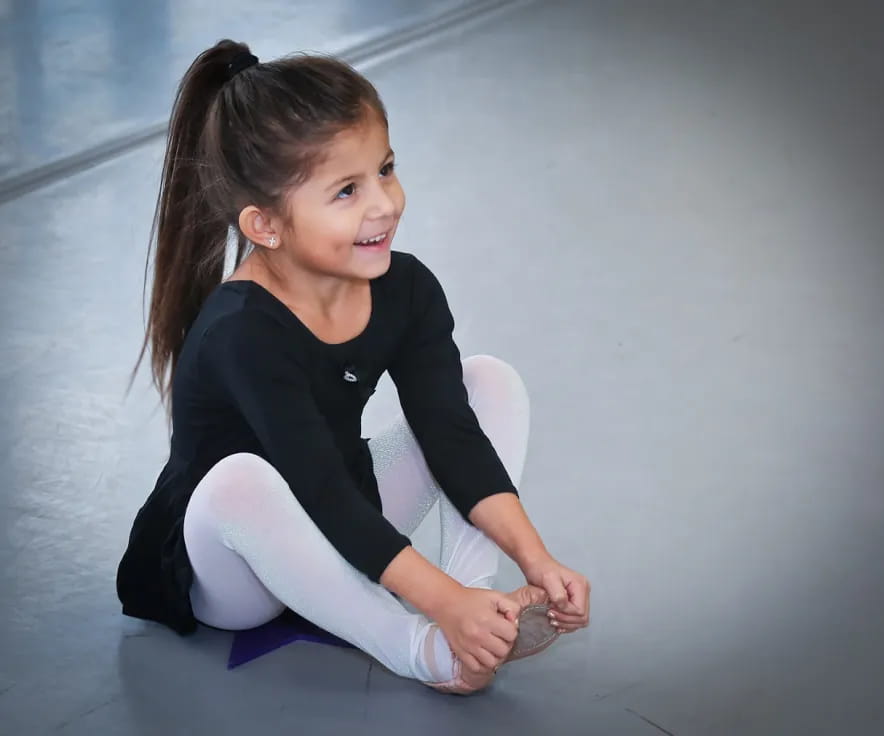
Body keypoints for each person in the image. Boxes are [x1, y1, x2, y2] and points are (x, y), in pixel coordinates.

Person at [115, 39, 590, 695]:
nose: (384, 204)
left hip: (344, 523)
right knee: (238, 481)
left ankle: (486, 615)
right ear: (265, 226)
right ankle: (425, 648)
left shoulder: (404, 287)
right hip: (235, 569)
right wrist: (437, 603)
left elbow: (450, 436)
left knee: (489, 383)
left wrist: (535, 560)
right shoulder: (241, 332)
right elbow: (319, 492)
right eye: (346, 190)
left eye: (385, 169)